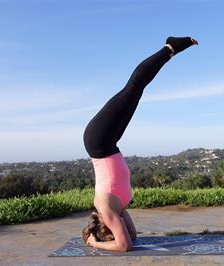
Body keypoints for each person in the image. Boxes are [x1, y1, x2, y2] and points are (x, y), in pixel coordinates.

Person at [82, 36, 198, 252]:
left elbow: (124, 245)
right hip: (109, 144)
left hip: (97, 142)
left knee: (134, 87)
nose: (119, 229)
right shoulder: (118, 211)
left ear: (103, 225)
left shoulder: (105, 210)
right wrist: (112, 236)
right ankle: (169, 49)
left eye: (112, 231)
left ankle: (169, 48)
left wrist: (95, 243)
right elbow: (131, 238)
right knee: (137, 89)